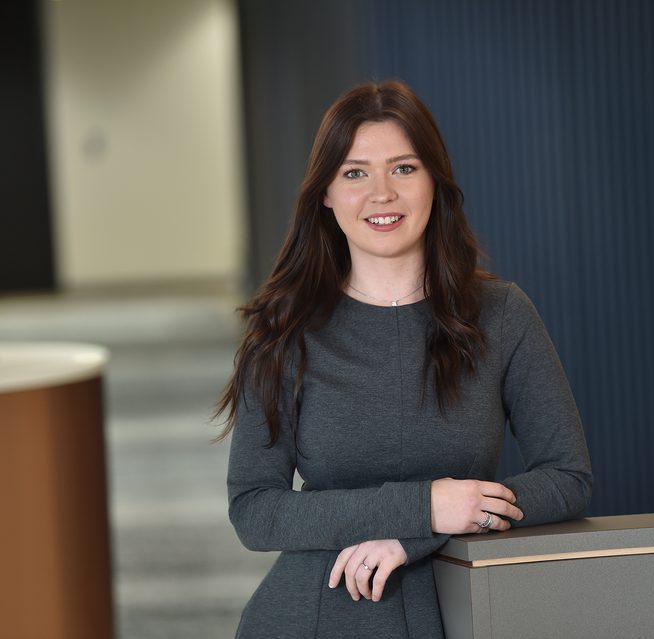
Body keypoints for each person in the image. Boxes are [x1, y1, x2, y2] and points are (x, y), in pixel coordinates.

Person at [218, 79, 592, 638]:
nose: (381, 194)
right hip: (315, 617)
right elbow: (255, 509)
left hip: (465, 610)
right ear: (325, 192)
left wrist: (428, 528)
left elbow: (569, 479)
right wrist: (424, 507)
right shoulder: (285, 330)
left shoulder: (502, 314)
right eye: (355, 172)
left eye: (404, 168)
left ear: (435, 182)